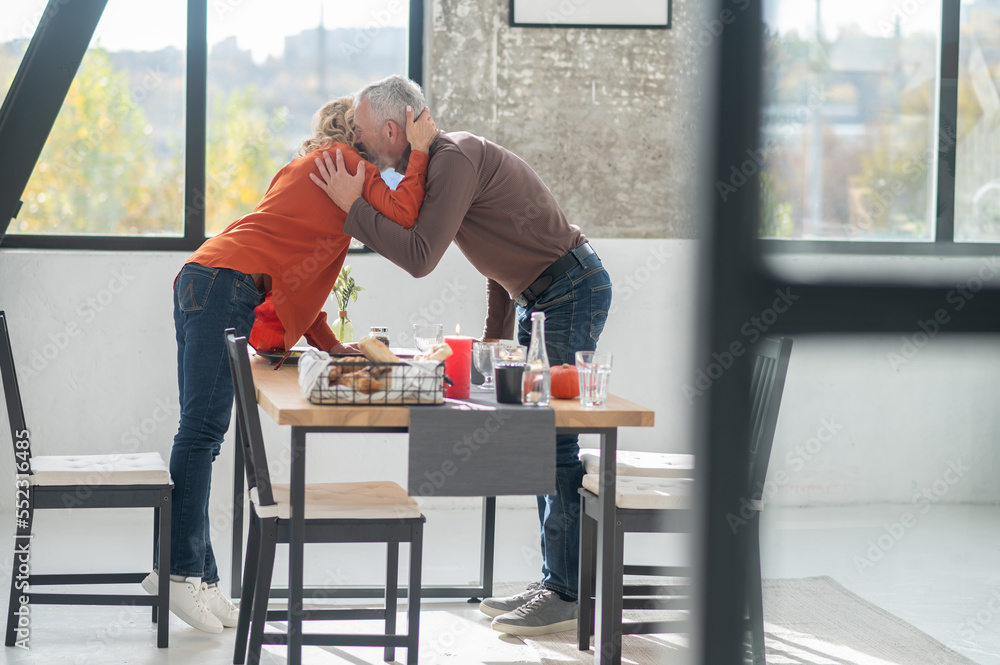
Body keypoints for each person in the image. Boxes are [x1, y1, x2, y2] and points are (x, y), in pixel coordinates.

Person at [310, 75, 612, 636]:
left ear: (394, 128)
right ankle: (556, 581)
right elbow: (501, 256)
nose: (361, 142)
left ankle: (568, 592)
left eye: (365, 133)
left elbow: (422, 256)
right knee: (536, 436)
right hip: (542, 295)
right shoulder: (448, 160)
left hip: (570, 289)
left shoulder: (453, 159)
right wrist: (493, 340)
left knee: (553, 434)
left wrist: (353, 210)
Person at [144, 95, 437, 633]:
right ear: (367, 132)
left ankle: (200, 578)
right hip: (223, 286)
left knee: (202, 434)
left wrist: (329, 345)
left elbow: (297, 269)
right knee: (202, 432)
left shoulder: (307, 168)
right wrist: (418, 154)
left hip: (204, 278)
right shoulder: (350, 167)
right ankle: (179, 572)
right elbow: (406, 216)